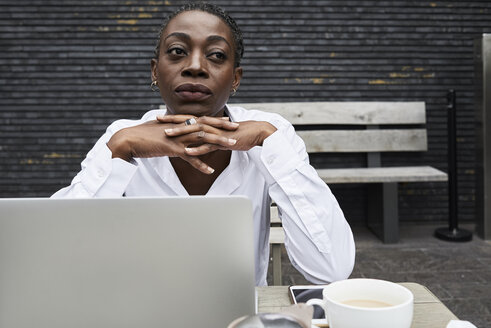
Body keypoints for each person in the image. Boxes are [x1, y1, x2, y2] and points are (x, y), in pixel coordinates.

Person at [52, 2, 355, 286]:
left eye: (216, 55)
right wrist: (118, 151)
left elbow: (331, 271)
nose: (195, 66)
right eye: (177, 51)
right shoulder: (123, 138)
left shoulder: (270, 135)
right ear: (155, 71)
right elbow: (55, 256)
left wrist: (269, 142)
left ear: (235, 78)